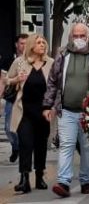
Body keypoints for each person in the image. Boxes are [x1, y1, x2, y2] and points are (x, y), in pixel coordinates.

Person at [44, 23, 89, 197]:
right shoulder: (63, 54)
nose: (78, 39)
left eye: (82, 35)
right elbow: (52, 80)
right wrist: (48, 105)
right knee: (67, 145)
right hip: (66, 110)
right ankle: (63, 182)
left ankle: (86, 180)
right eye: (76, 35)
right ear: (71, 36)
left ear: (88, 37)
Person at [7, 34, 53, 194]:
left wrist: (53, 107)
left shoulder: (51, 63)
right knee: (26, 144)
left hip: (43, 112)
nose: (42, 45)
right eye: (39, 42)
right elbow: (6, 79)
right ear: (32, 45)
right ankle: (24, 179)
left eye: (43, 43)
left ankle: (40, 176)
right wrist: (15, 80)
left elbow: (56, 87)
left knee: (41, 145)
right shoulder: (20, 62)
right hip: (24, 111)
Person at [4, 33, 27, 163]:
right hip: (12, 97)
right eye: (21, 43)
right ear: (17, 45)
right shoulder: (9, 60)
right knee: (8, 127)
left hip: (26, 98)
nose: (24, 46)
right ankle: (16, 147)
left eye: (26, 43)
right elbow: (4, 80)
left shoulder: (33, 59)